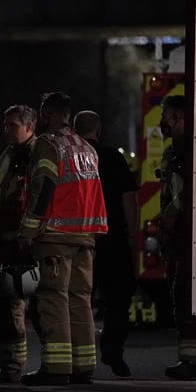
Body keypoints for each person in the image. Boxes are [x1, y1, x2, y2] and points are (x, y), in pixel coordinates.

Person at [19, 92, 108, 386]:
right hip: (85, 235)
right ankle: (84, 365)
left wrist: (30, 228)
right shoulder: (86, 147)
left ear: (48, 113)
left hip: (56, 234)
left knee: (53, 299)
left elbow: (44, 186)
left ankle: (56, 368)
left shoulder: (48, 143)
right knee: (80, 299)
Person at [74, 110, 138, 377]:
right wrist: (132, 234)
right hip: (112, 239)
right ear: (98, 131)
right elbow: (129, 199)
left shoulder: (71, 157)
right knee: (117, 299)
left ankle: (80, 357)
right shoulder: (113, 157)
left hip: (79, 237)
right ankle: (113, 351)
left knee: (79, 300)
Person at [158, 95, 196, 380]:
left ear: (179, 118)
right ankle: (194, 359)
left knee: (186, 294)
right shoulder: (180, 149)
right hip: (181, 234)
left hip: (187, 234)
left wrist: (168, 216)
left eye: (166, 116)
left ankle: (194, 360)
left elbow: (184, 193)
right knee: (183, 294)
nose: (162, 122)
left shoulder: (186, 150)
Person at [0, 104, 37, 383]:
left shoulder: (39, 154)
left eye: (13, 125)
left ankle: (53, 365)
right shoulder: (8, 155)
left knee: (41, 308)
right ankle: (11, 364)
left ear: (30, 127)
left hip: (31, 242)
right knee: (7, 306)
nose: (6, 130)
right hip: (7, 241)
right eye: (5, 125)